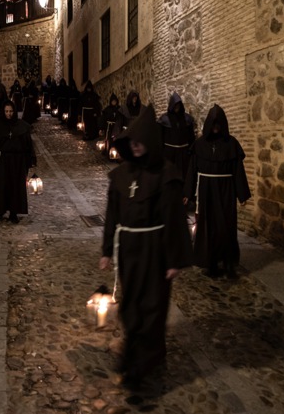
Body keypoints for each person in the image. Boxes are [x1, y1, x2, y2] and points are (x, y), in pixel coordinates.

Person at [99, 104, 193, 389]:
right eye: (132, 141)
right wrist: (106, 250)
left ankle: (143, 363)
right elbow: (112, 214)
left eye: (140, 141)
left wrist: (174, 259)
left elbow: (174, 218)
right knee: (131, 305)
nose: (135, 146)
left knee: (153, 305)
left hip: (155, 248)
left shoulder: (166, 174)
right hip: (129, 248)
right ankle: (136, 354)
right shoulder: (120, 175)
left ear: (150, 141)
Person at [183, 104, 251, 279]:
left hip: (226, 190)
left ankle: (228, 263)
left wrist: (242, 194)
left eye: (218, 124)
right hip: (206, 190)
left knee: (227, 225)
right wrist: (187, 193)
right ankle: (211, 262)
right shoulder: (199, 144)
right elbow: (192, 170)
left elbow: (238, 170)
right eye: (213, 124)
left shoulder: (231, 144)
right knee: (208, 227)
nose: (215, 127)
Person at [0, 100, 36, 223]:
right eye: (6, 111)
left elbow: (28, 145)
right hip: (4, 160)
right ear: (3, 112)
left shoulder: (22, 126)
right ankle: (1, 210)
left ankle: (14, 212)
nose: (9, 114)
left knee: (16, 186)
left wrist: (30, 160)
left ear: (14, 112)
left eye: (11, 111)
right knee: (2, 185)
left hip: (18, 161)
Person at [158, 92, 196, 180]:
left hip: (183, 153)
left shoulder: (186, 119)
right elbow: (160, 137)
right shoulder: (164, 119)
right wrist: (161, 152)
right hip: (169, 154)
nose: (177, 107)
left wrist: (190, 150)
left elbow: (191, 137)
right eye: (175, 105)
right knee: (170, 176)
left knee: (184, 176)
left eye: (178, 105)